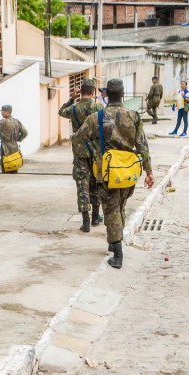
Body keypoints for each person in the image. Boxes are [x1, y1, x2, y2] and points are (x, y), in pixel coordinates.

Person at [74, 79, 155, 269]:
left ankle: (117, 253)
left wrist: (95, 152)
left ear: (106, 94)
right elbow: (143, 145)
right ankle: (114, 242)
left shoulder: (97, 117)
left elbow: (79, 138)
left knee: (110, 210)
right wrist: (149, 172)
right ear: (123, 94)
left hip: (107, 171)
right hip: (128, 170)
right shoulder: (133, 116)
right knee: (120, 206)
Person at [59, 78, 105, 232]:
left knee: (82, 185)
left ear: (81, 91)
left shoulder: (73, 109)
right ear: (93, 92)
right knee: (96, 183)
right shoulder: (98, 107)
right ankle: (96, 216)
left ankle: (85, 222)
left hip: (79, 152)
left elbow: (61, 111)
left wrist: (72, 97)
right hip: (95, 151)